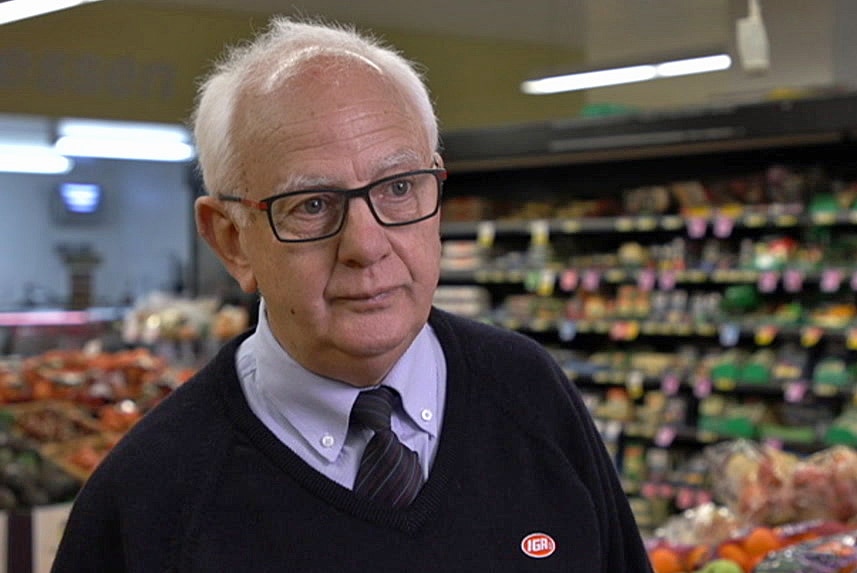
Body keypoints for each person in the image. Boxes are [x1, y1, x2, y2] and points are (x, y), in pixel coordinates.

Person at [51, 16, 653, 572]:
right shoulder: (146, 503)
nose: (366, 245)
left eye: (398, 188)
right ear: (232, 240)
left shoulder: (531, 391)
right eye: (312, 205)